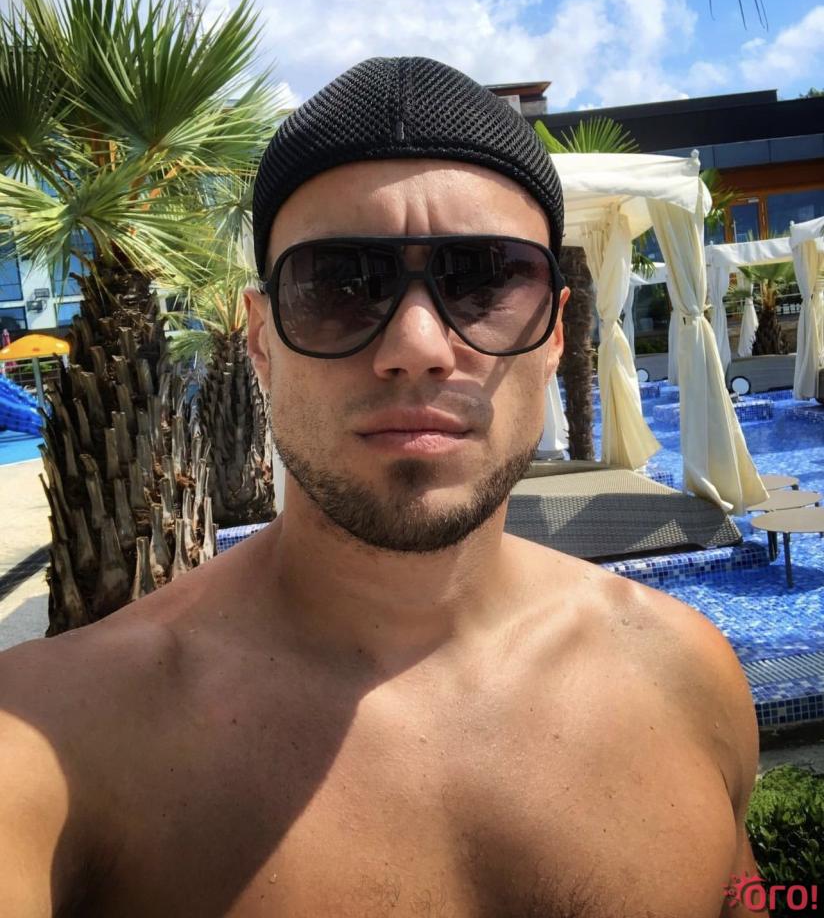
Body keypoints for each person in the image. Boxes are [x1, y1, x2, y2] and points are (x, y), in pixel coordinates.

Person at [0, 57, 765, 918]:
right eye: (339, 283)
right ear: (260, 341)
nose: (417, 346)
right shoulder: (57, 742)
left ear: (554, 334)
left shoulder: (685, 672)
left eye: (483, 277)